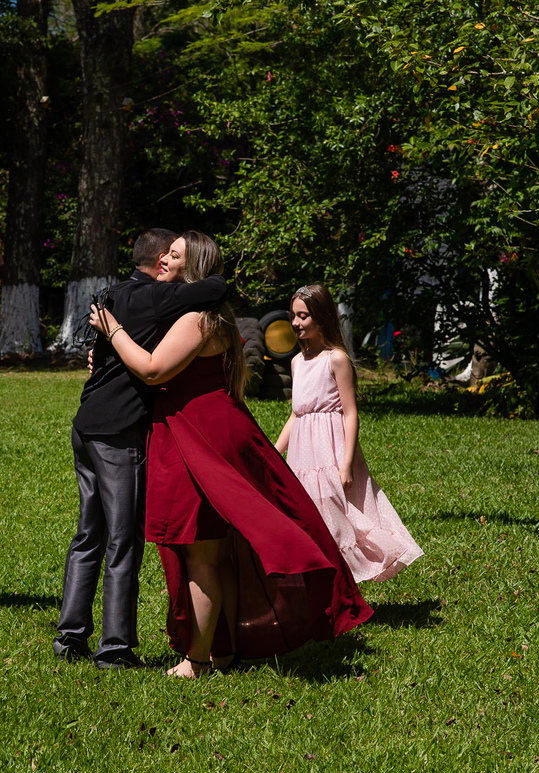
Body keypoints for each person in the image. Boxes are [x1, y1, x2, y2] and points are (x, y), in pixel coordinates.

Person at [89, 232, 372, 677]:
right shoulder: (203, 313)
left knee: (202, 554)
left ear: (193, 267)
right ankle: (223, 651)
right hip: (208, 427)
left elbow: (152, 369)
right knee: (217, 553)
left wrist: (113, 331)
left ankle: (197, 660)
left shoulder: (197, 318)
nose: (164, 259)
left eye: (175, 255)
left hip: (197, 435)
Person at [56, 227, 229, 669]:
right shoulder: (156, 297)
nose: (171, 265)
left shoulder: (111, 294)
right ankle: (114, 647)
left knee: (87, 535)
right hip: (119, 431)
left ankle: (70, 636)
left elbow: (100, 354)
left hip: (86, 424)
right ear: (158, 264)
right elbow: (218, 287)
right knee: (123, 540)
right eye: (168, 257)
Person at [275, 284, 423, 582]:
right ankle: (322, 578)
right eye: (293, 315)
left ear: (322, 317)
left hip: (330, 449)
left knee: (336, 512)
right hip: (303, 452)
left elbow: (350, 411)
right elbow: (297, 413)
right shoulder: (296, 362)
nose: (295, 323)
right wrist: (274, 453)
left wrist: (346, 462)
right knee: (309, 512)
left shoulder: (336, 359)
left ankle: (348, 575)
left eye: (303, 316)